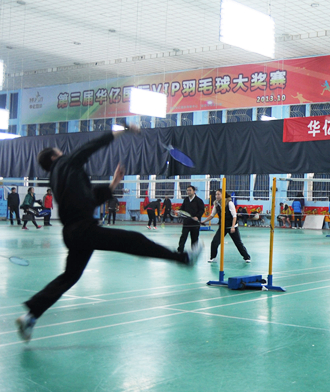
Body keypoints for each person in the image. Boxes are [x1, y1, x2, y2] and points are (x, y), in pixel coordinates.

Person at [16, 126, 202, 343]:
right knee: (134, 240)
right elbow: (90, 146)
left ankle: (30, 316)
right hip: (83, 230)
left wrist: (114, 183)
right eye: (60, 152)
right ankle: (184, 258)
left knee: (70, 276)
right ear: (55, 157)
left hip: (73, 233)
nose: (64, 153)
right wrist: (123, 130)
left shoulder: (59, 179)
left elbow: (89, 199)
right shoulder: (65, 164)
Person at [202, 189, 251, 263]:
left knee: (238, 243)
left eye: (218, 194)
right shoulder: (216, 204)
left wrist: (233, 227)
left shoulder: (229, 203)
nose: (217, 196)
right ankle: (213, 257)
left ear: (223, 195)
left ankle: (247, 257)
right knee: (214, 242)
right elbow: (212, 215)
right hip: (223, 227)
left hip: (232, 226)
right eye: (216, 194)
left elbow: (234, 216)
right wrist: (204, 221)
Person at [177, 185, 205, 253]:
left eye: (190, 190)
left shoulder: (199, 200)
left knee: (194, 239)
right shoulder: (186, 200)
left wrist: (197, 217)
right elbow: (182, 208)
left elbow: (202, 210)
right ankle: (180, 251)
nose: (188, 192)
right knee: (183, 237)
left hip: (195, 224)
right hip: (186, 223)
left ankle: (194, 252)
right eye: (187, 190)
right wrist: (179, 212)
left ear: (194, 191)